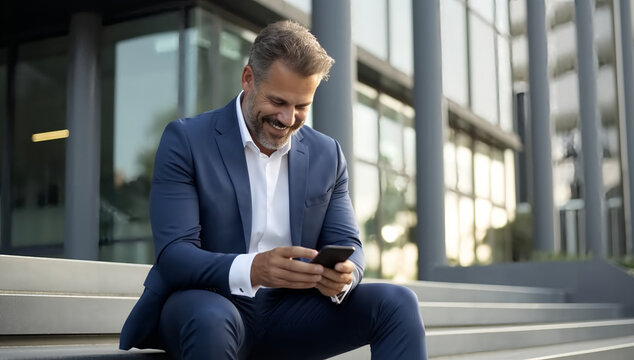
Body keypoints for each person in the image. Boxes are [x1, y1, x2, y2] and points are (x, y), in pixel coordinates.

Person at [119, 20, 427, 359]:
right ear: (248, 79)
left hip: (292, 313)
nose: (287, 118)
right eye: (277, 101)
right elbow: (175, 254)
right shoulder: (186, 140)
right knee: (211, 320)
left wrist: (345, 275)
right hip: (206, 302)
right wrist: (253, 268)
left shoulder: (328, 155)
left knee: (398, 303)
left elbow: (349, 244)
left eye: (301, 107)